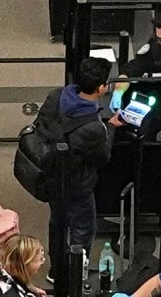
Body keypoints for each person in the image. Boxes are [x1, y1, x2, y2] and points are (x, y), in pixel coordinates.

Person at [34, 57, 119, 252]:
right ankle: (75, 271)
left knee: (57, 222)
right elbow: (102, 156)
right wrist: (112, 127)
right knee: (83, 228)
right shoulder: (93, 127)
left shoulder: (55, 95)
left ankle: (57, 268)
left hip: (50, 173)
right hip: (76, 184)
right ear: (100, 88)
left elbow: (41, 124)